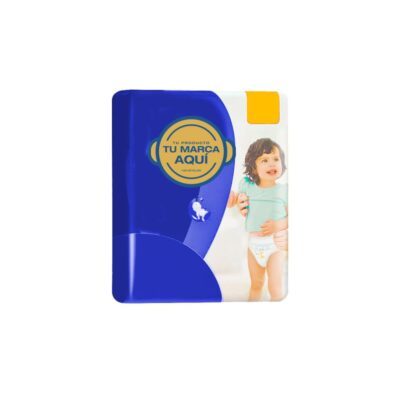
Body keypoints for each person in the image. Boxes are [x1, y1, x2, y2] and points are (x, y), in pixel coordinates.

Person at [228, 138, 288, 301]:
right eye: (264, 160)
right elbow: (236, 201)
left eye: (276, 159)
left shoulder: (283, 190)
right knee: (256, 284)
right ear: (254, 168)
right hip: (254, 245)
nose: (272, 164)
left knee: (275, 287)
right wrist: (230, 200)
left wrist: (278, 225)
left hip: (275, 245)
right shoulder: (247, 185)